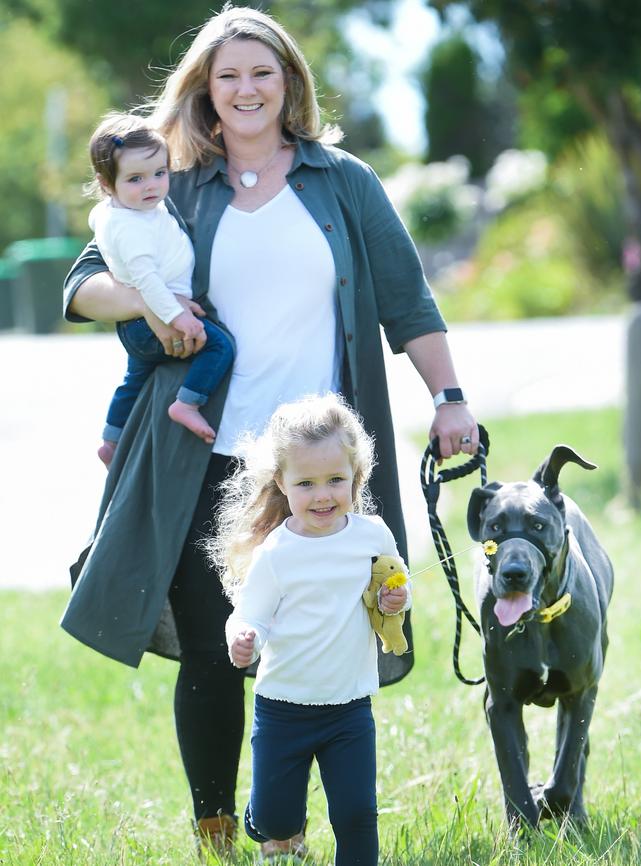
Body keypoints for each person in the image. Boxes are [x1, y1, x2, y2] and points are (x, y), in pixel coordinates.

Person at [60, 4, 478, 859]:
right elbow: (82, 286)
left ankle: (303, 828)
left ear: (288, 80)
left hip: (317, 465)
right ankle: (217, 829)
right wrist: (149, 300)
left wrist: (450, 396)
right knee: (220, 654)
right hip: (203, 456)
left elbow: (407, 300)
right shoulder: (172, 182)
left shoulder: (343, 181)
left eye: (261, 71)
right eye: (227, 75)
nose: (246, 88)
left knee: (320, 653)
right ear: (205, 92)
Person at [209, 393, 411, 866]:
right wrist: (244, 640)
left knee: (358, 813)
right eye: (307, 483)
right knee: (278, 822)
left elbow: (395, 584)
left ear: (356, 476)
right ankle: (264, 820)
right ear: (281, 482)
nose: (323, 495)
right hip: (283, 709)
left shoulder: (373, 535)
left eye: (336, 480)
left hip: (349, 706)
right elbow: (249, 616)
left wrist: (395, 598)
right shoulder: (276, 553)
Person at [87, 113, 234, 466]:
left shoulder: (117, 211)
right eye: (135, 179)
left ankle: (111, 437)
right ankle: (187, 403)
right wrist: (176, 315)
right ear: (107, 184)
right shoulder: (132, 228)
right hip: (154, 317)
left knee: (134, 378)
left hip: (135, 325)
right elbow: (146, 279)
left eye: (159, 173)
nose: (151, 185)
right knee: (219, 346)